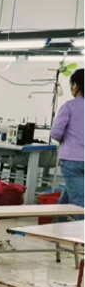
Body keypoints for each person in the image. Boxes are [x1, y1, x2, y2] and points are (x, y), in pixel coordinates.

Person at [51, 69, 84, 218]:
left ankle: (81, 231)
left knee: (79, 203)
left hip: (72, 161)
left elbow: (56, 133)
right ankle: (58, 226)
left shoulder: (69, 106)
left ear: (75, 86)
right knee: (67, 197)